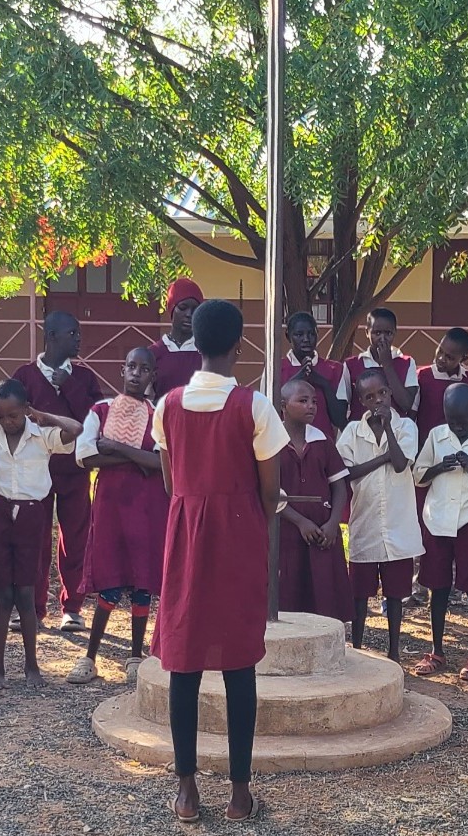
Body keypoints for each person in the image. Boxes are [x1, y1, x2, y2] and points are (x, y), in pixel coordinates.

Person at [153, 299, 286, 824]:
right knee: (238, 666)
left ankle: (186, 792)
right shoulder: (255, 407)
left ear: (196, 343)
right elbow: (271, 491)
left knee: (184, 664)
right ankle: (238, 794)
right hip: (238, 536)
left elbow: (169, 481)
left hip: (186, 533)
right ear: (239, 344)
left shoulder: (168, 404)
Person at [0, 379, 82, 690]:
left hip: (31, 517)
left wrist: (45, 415)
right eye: (0, 416)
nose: (7, 422)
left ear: (26, 411)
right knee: (3, 596)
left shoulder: (41, 436)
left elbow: (76, 430)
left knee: (26, 595)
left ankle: (32, 665)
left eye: (13, 415)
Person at [69, 345, 171, 684]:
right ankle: (89, 656)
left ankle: (134, 655)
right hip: (110, 507)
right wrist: (135, 458)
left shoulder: (159, 415)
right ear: (121, 371)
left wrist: (114, 448)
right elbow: (85, 456)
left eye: (144, 369)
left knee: (142, 582)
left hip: (146, 509)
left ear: (153, 376)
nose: (136, 374)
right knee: (108, 581)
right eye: (131, 366)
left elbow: (160, 463)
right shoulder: (100, 410)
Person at [9, 310, 106, 630]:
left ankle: (72, 607)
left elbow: (94, 421)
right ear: (51, 336)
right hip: (34, 472)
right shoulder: (24, 376)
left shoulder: (84, 378)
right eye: (72, 334)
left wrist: (70, 388)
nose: (79, 339)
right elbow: (9, 416)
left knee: (75, 538)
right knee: (34, 540)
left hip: (75, 471)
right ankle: (33, 609)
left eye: (78, 334)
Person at [412, 382, 468, 681]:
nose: (457, 427)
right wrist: (439, 467)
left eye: (462, 421)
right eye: (451, 421)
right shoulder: (437, 436)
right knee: (437, 586)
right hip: (437, 520)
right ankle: (437, 650)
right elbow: (418, 475)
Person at [337, 368, 422, 660]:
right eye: (369, 396)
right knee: (360, 594)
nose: (377, 401)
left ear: (389, 392)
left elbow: (400, 464)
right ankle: (358, 650)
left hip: (398, 525)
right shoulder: (352, 432)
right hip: (366, 523)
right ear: (361, 400)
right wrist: (381, 457)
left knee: (395, 595)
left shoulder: (406, 427)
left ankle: (394, 651)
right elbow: (347, 472)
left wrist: (387, 430)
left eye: (382, 393)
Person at [274, 378, 354, 623]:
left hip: (322, 532)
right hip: (285, 532)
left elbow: (339, 485)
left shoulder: (321, 440)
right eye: (303, 400)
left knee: (323, 593)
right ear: (283, 405)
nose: (311, 406)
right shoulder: (270, 441)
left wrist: (332, 524)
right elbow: (267, 491)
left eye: (314, 401)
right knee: (288, 593)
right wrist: (299, 522)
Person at [343, 306, 418, 427]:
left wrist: (387, 365)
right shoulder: (352, 365)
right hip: (362, 434)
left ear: (395, 333)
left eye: (388, 333)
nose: (382, 338)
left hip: (395, 433)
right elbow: (343, 407)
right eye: (377, 333)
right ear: (367, 332)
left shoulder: (407, 363)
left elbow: (406, 404)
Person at [279, 310, 348, 432]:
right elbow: (270, 412)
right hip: (285, 444)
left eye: (311, 334)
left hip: (323, 445)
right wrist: (298, 378)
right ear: (288, 336)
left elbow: (340, 420)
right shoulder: (277, 369)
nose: (306, 339)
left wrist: (324, 384)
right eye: (299, 335)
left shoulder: (335, 370)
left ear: (317, 334)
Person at [151, 276, 206, 398]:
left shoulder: (207, 353)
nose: (189, 314)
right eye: (182, 308)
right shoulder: (154, 353)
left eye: (195, 309)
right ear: (171, 309)